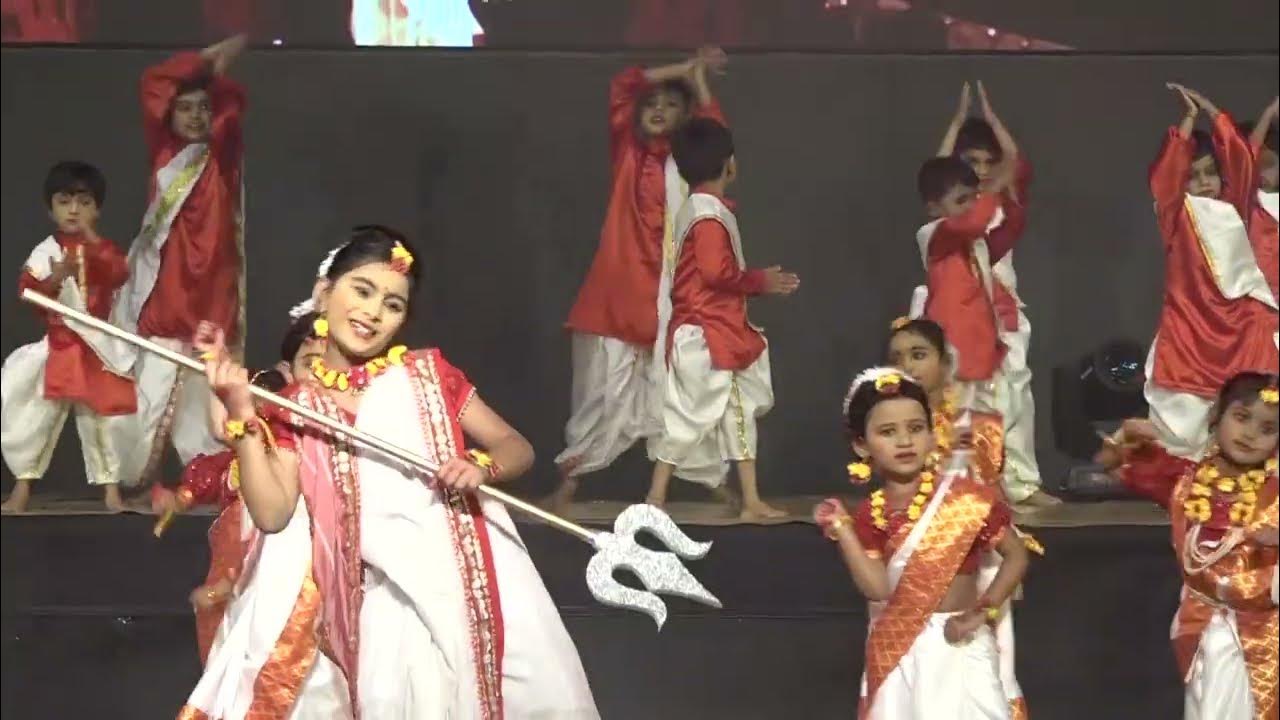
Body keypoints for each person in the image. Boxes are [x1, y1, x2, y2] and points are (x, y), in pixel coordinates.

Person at [181, 226, 598, 718]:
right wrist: (243, 415)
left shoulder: (426, 376)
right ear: (324, 292)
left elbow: (516, 446)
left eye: (393, 304)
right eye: (362, 290)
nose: (373, 312)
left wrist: (481, 466)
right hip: (386, 599)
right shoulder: (296, 408)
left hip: (483, 581)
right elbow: (272, 513)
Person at [548, 46, 729, 515]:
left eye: (670, 106)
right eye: (652, 105)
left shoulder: (691, 167)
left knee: (681, 396)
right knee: (596, 399)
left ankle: (707, 488)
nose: (658, 112)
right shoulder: (628, 154)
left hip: (674, 301)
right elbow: (622, 85)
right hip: (617, 297)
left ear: (685, 116)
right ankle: (567, 488)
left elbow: (717, 139)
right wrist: (683, 68)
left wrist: (701, 81)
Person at [814, 367, 1033, 719]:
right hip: (901, 650)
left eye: (916, 428)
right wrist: (843, 530)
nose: (904, 441)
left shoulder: (966, 499)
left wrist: (982, 612)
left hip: (959, 641)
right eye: (888, 432)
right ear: (861, 444)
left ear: (933, 434)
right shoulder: (872, 513)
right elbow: (879, 588)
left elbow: (1016, 556)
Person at [109, 34, 249, 487]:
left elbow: (231, 105)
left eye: (202, 108)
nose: (195, 116)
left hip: (210, 306)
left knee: (202, 412)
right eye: (185, 107)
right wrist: (204, 62)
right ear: (169, 116)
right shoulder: (167, 154)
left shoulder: (220, 158)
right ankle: (130, 481)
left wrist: (217, 76)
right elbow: (153, 83)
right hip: (167, 300)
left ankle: (206, 485)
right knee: (146, 402)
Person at [1096, 371, 1278, 720]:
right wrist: (1124, 435)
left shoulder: (1274, 494)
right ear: (1215, 417)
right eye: (1242, 418)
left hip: (1260, 635)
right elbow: (1110, 462)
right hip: (1198, 624)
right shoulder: (1185, 481)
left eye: (1268, 429)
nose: (1251, 434)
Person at [645, 117, 798, 521]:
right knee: (725, 411)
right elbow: (715, 274)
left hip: (708, 330)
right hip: (710, 333)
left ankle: (660, 499)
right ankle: (740, 501)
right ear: (730, 164)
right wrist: (759, 282)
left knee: (721, 412)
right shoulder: (709, 215)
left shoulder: (697, 209)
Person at [885, 317, 1039, 717]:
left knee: (991, 675)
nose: (908, 366)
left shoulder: (979, 429)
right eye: (897, 358)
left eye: (918, 355)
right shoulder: (887, 429)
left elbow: (991, 495)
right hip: (909, 572)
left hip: (979, 568)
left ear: (946, 364)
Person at [151, 313, 324, 664]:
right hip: (271, 536)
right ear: (288, 367)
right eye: (309, 351)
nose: (318, 352)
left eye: (328, 352)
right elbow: (224, 426)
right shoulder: (278, 407)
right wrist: (218, 363)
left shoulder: (359, 410)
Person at [934, 81, 1055, 508]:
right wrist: (957, 120)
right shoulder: (953, 207)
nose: (983, 169)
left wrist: (990, 114)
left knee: (1015, 395)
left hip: (1003, 308)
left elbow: (1016, 161)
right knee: (957, 397)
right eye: (973, 161)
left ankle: (1020, 482)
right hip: (959, 311)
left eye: (989, 161)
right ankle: (960, 483)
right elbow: (940, 167)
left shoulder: (1003, 199)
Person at [1144, 84, 1278, 460]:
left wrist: (1213, 112)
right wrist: (1186, 124)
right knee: (1184, 439)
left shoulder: (1233, 208)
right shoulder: (1175, 215)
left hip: (1238, 330)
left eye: (1209, 174)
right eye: (1193, 176)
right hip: (1190, 331)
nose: (1203, 183)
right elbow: (1165, 181)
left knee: (1249, 415)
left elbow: (1241, 161)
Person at [2, 161, 135, 513]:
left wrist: (91, 239)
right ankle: (22, 489)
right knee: (37, 419)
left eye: (84, 202)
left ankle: (112, 493)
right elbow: (29, 293)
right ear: (51, 208)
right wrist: (55, 279)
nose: (74, 210)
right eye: (64, 201)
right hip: (60, 347)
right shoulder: (45, 251)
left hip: (98, 347)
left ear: (98, 208)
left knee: (102, 422)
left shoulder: (103, 248)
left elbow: (119, 273)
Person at [1238, 98, 1278, 302]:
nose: (1261, 172)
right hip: (1251, 315)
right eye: (1255, 165)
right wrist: (1269, 113)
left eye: (1268, 164)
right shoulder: (1238, 208)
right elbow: (1243, 163)